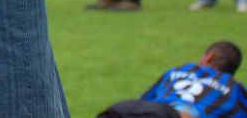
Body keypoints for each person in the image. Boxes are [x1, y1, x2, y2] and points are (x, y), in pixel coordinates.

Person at [97, 41, 247, 118]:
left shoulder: (184, 69)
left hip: (129, 108)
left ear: (209, 57)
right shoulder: (234, 87)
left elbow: (145, 100)